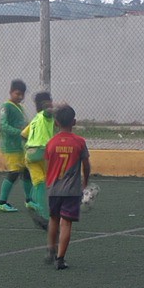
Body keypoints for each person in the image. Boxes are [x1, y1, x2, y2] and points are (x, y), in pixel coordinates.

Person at [43, 104, 91, 270]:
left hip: (54, 189)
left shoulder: (51, 143)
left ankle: (51, 248)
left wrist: (49, 182)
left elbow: (48, 165)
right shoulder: (79, 142)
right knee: (66, 224)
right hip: (71, 190)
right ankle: (60, 259)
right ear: (74, 122)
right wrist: (85, 182)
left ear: (56, 123)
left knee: (53, 219)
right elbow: (86, 165)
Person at [0, 79, 33, 213]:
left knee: (26, 172)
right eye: (17, 94)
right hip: (11, 147)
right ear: (10, 92)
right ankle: (1, 202)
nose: (20, 97)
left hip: (20, 146)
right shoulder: (6, 106)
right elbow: (3, 125)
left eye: (22, 94)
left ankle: (29, 200)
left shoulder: (20, 107)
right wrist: (20, 132)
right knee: (14, 173)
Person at [21, 91, 54, 230]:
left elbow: (23, 135)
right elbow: (48, 112)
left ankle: (36, 208)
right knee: (54, 179)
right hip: (42, 151)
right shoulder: (46, 116)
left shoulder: (35, 119)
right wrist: (60, 107)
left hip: (30, 154)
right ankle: (46, 216)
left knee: (39, 182)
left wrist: (27, 149)